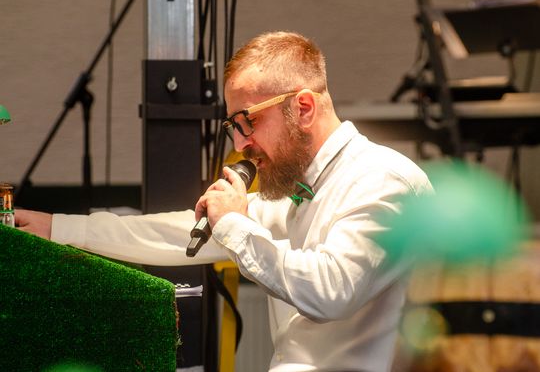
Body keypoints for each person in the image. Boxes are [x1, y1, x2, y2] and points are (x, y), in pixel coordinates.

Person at [16, 31, 432, 372]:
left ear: (303, 107)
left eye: (248, 121)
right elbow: (179, 233)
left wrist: (234, 223)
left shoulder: (383, 180)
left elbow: (331, 290)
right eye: (232, 126)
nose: (239, 145)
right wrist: (60, 228)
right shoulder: (299, 186)